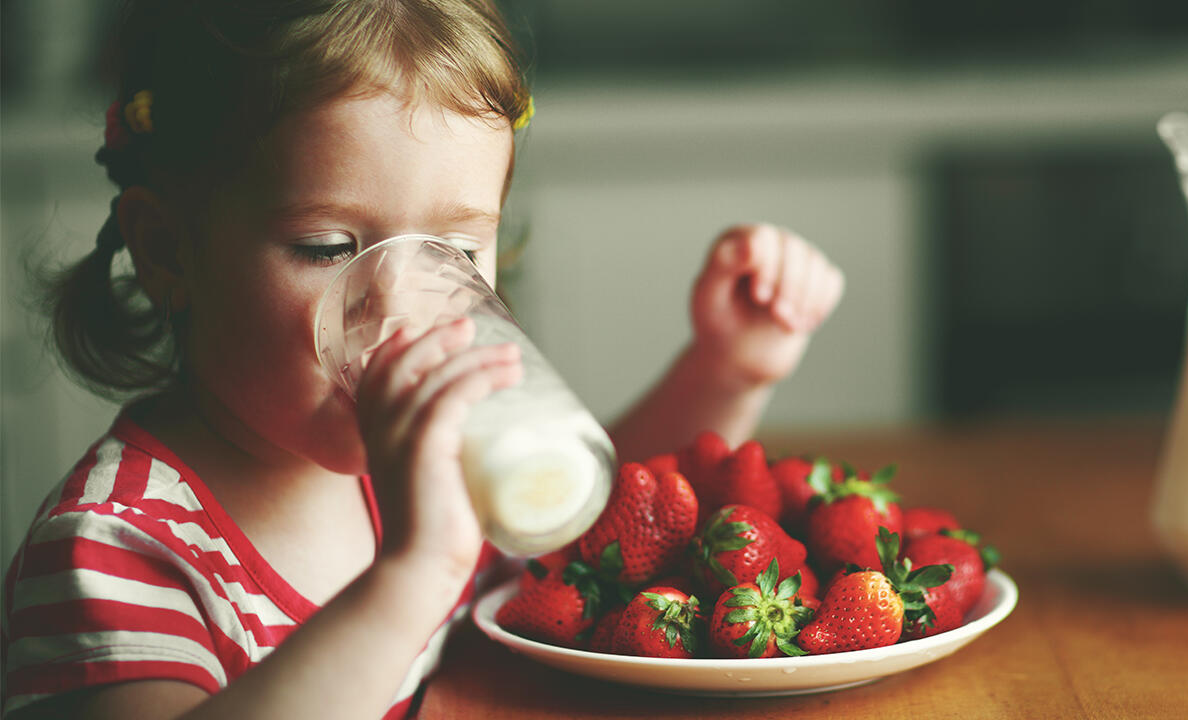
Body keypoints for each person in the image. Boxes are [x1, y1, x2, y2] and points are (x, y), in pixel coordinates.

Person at [1, 1, 844, 718]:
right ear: (169, 253)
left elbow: (604, 520)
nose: (401, 304)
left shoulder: (425, 462)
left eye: (452, 251)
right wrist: (413, 577)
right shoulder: (112, 556)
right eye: (330, 246)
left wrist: (728, 367)